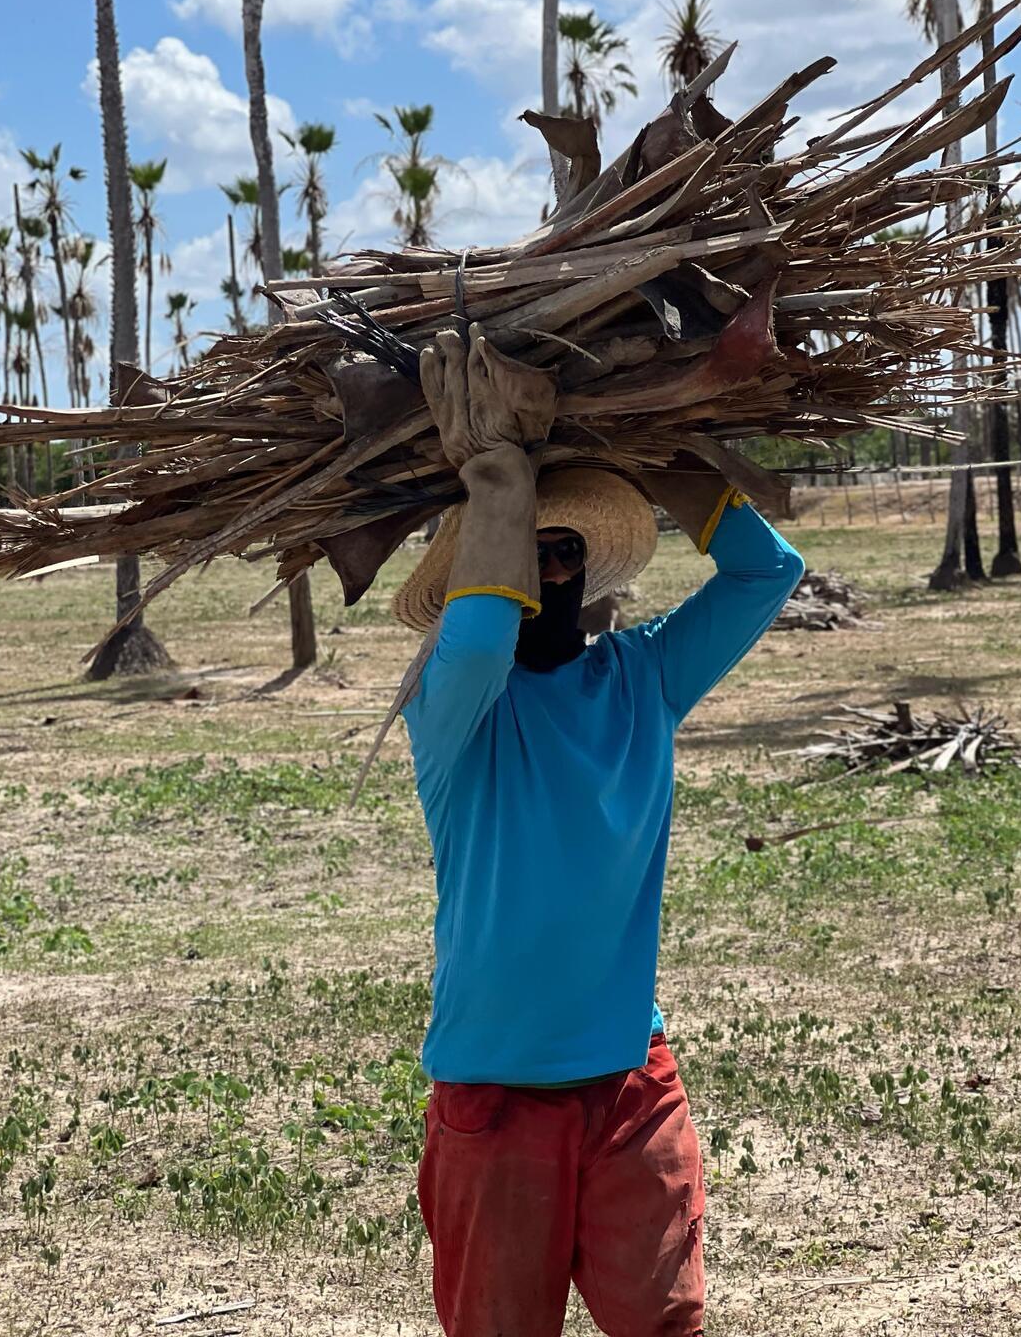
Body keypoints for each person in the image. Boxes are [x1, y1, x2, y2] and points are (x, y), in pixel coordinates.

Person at [393, 324, 805, 1337]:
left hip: (632, 1088)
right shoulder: (453, 709)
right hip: (493, 1103)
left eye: (568, 552)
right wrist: (500, 486)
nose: (551, 574)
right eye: (529, 554)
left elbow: (767, 572)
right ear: (478, 573)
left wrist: (665, 440)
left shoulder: (643, 681)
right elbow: (487, 633)